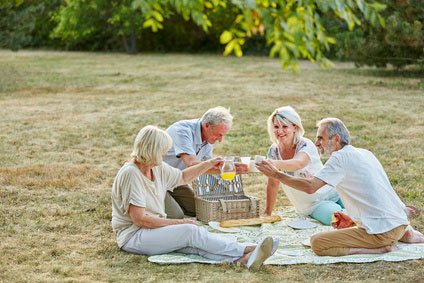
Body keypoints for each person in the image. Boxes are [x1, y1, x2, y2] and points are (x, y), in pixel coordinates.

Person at [111, 125, 277, 269]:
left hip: (152, 230)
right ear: (152, 150)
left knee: (195, 245)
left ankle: (242, 260)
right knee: (190, 231)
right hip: (133, 236)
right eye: (162, 151)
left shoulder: (157, 168)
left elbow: (183, 177)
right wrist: (180, 222)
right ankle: (247, 249)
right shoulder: (131, 174)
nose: (164, 154)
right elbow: (140, 220)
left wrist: (209, 164)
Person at [256, 118, 424, 256]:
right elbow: (372, 194)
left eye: (321, 138)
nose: (317, 143)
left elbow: (310, 187)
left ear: (336, 139)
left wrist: (276, 174)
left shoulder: (340, 158)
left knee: (317, 243)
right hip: (400, 223)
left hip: (382, 232)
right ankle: (400, 236)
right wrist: (352, 219)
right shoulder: (365, 153)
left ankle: (379, 248)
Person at [163, 106, 248, 219]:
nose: (220, 140)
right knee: (176, 215)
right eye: (219, 134)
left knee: (199, 210)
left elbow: (204, 169)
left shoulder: (208, 139)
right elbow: (191, 163)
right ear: (207, 125)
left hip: (177, 180)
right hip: (156, 179)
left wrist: (229, 169)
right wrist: (216, 164)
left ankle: (167, 203)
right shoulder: (182, 131)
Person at [263, 106, 344, 225]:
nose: (279, 131)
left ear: (295, 127)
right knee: (339, 218)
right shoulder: (273, 152)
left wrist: (272, 163)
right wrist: (267, 213)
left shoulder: (305, 144)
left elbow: (298, 163)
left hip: (333, 192)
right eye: (276, 127)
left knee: (361, 209)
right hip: (313, 204)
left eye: (285, 126)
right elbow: (273, 184)